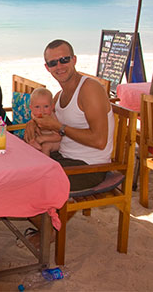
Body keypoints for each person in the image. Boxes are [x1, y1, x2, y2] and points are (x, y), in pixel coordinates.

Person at [25, 39, 114, 191]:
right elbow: (45, 117)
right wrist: (32, 123)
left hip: (89, 166)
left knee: (34, 186)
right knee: (18, 170)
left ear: (74, 60)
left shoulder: (90, 89)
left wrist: (60, 127)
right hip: (62, 156)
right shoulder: (59, 96)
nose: (59, 66)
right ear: (47, 68)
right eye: (53, 63)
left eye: (64, 60)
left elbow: (100, 141)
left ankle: (44, 214)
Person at [26, 87, 61, 156]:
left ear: (52, 107)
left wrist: (42, 139)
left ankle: (46, 164)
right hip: (41, 138)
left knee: (45, 146)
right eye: (37, 107)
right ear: (31, 108)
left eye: (46, 106)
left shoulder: (51, 118)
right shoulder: (34, 114)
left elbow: (58, 136)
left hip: (55, 141)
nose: (42, 111)